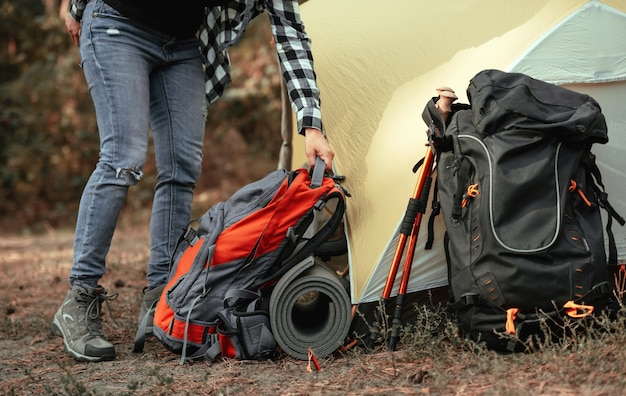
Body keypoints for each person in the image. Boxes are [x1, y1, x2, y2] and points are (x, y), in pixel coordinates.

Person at [51, 0, 335, 362]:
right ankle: (80, 296)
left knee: (181, 169)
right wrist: (77, 9)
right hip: (117, 22)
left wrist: (311, 125)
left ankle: (162, 296)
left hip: (182, 43)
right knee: (123, 158)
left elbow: (290, 33)